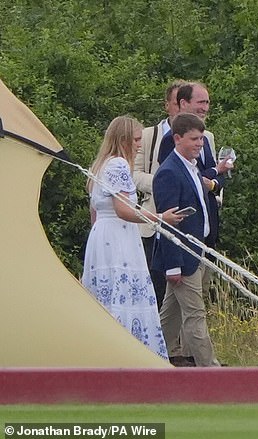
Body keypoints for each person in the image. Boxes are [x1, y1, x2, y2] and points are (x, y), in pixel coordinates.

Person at [81, 116, 183, 360]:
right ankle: (128, 355)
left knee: (106, 294)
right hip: (118, 235)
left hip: (101, 236)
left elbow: (94, 211)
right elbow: (124, 210)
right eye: (136, 140)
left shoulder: (101, 164)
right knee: (124, 292)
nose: (139, 145)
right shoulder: (118, 165)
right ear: (124, 140)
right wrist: (159, 218)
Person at [152, 113, 223, 367]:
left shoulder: (193, 168)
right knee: (195, 314)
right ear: (177, 138)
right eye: (194, 139)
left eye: (202, 139)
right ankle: (210, 370)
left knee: (169, 317)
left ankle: (147, 357)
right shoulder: (168, 172)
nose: (199, 144)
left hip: (197, 251)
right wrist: (173, 265)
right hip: (182, 256)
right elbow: (169, 224)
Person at [134, 80, 184, 311]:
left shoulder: (205, 137)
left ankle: (179, 345)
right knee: (154, 286)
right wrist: (165, 184)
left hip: (187, 224)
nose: (181, 110)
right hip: (152, 220)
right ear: (167, 106)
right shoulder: (147, 135)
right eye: (177, 104)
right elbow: (133, 174)